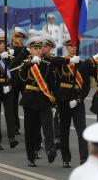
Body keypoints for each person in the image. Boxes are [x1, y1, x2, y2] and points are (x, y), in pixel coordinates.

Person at [17, 36, 79, 167]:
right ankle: (31, 156)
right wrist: (30, 63)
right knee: (31, 130)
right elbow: (21, 76)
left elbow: (52, 84)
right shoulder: (25, 63)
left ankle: (50, 149)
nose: (38, 50)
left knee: (48, 127)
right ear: (30, 50)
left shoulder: (47, 64)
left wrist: (54, 101)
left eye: (40, 48)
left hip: (44, 99)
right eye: (35, 48)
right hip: (30, 99)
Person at [57, 38, 90, 168]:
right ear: (66, 47)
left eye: (76, 46)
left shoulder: (83, 65)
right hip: (64, 101)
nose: (74, 48)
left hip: (77, 100)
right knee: (64, 131)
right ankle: (66, 158)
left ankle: (84, 159)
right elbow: (55, 81)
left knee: (82, 130)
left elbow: (86, 87)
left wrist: (78, 99)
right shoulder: (62, 62)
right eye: (71, 46)